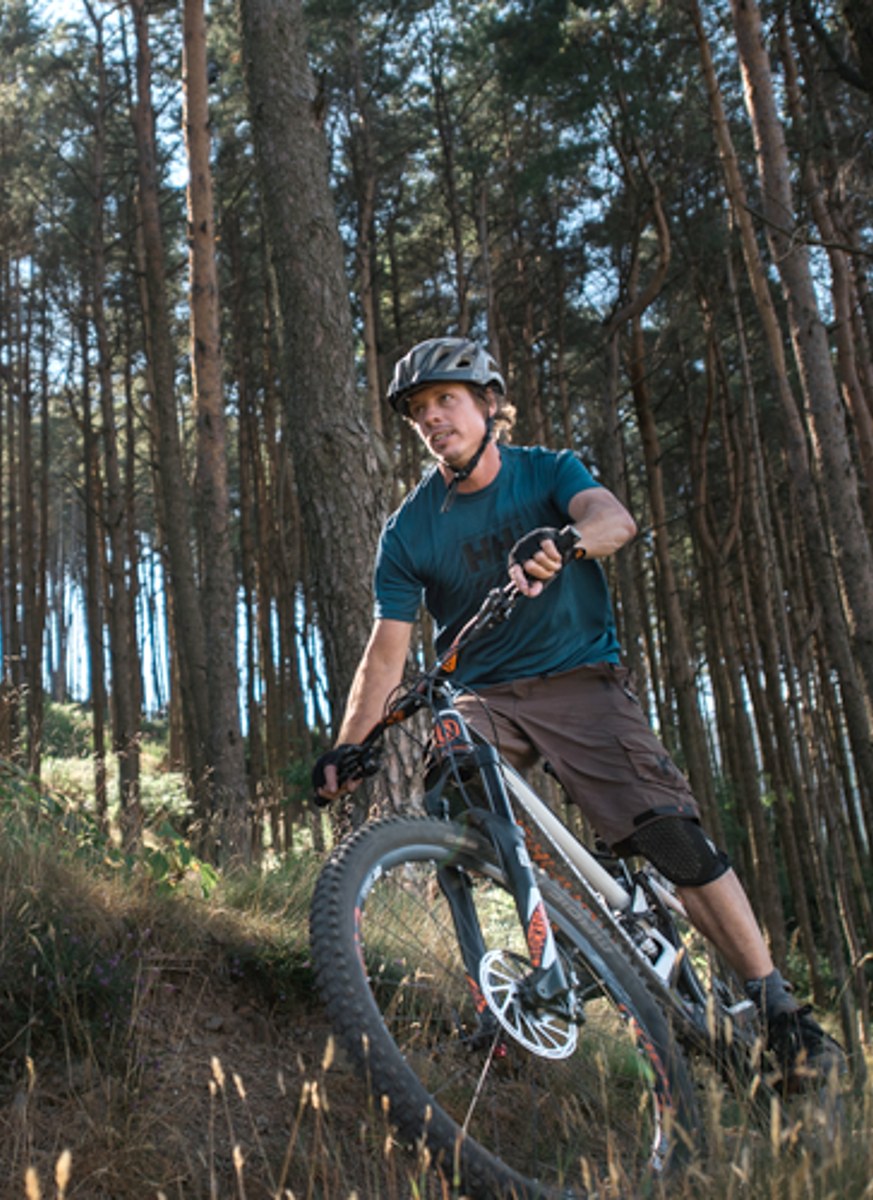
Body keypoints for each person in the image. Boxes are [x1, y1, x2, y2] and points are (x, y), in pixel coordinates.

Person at [312, 336, 842, 1089]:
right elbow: (386, 653)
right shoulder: (409, 529)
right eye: (418, 412)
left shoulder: (547, 471)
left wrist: (568, 539)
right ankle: (525, 965)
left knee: (669, 837)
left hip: (580, 681)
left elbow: (612, 518)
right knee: (458, 781)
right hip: (485, 695)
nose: (432, 420)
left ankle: (779, 1008)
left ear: (488, 406)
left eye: (447, 402)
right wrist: (349, 745)